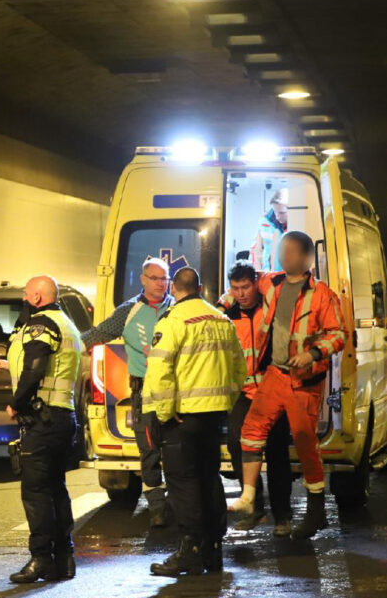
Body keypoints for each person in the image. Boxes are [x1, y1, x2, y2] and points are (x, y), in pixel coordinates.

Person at [227, 231, 346, 539]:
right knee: (250, 432)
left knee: (305, 444)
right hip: (275, 375)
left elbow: (338, 334)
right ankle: (249, 497)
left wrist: (312, 354)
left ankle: (315, 512)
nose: (284, 256)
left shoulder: (322, 295)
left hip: (303, 382)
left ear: (306, 257)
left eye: (290, 251)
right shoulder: (271, 283)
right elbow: (240, 288)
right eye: (282, 251)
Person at [141, 267, 247, 576]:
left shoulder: (173, 322)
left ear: (174, 288)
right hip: (213, 417)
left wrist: (163, 413)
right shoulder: (222, 320)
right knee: (208, 479)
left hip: (182, 418)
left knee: (183, 484)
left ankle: (190, 549)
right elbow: (239, 370)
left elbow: (160, 372)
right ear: (199, 287)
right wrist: (223, 402)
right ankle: (213, 549)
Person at [81, 256, 174, 527]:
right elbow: (98, 334)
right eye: (154, 278)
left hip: (174, 392)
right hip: (143, 392)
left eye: (164, 278)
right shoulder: (129, 311)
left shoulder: (176, 309)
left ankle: (181, 503)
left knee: (176, 449)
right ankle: (157, 507)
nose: (160, 284)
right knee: (149, 451)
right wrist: (66, 345)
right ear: (143, 280)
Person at [6, 275, 84, 584]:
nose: (23, 300)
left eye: (26, 295)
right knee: (55, 489)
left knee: (36, 492)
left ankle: (40, 559)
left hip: (43, 419)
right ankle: (64, 559)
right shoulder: (66, 323)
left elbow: (36, 365)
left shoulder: (44, 324)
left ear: (37, 297)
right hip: (62, 418)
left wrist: (16, 402)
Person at [220, 262, 295, 535]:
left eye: (246, 287)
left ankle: (282, 516)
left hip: (272, 390)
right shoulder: (226, 313)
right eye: (235, 288)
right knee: (237, 444)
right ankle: (254, 506)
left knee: (276, 452)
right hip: (244, 392)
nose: (241, 293)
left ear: (255, 284)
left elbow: (282, 282)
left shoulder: (270, 306)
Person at [249, 188, 289, 272]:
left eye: (281, 213)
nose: (277, 216)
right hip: (267, 276)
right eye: (275, 211)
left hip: (289, 277)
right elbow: (256, 251)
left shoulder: (299, 224)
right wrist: (257, 275)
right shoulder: (264, 222)